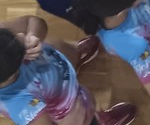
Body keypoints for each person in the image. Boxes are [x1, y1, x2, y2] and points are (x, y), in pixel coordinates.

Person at [0, 14, 136, 125]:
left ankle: (77, 56)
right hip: (65, 108)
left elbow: (33, 21)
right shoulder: (22, 105)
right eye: (19, 39)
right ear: (15, 70)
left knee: (64, 50)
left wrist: (34, 35)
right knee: (85, 117)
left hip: (53, 61)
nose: (21, 35)